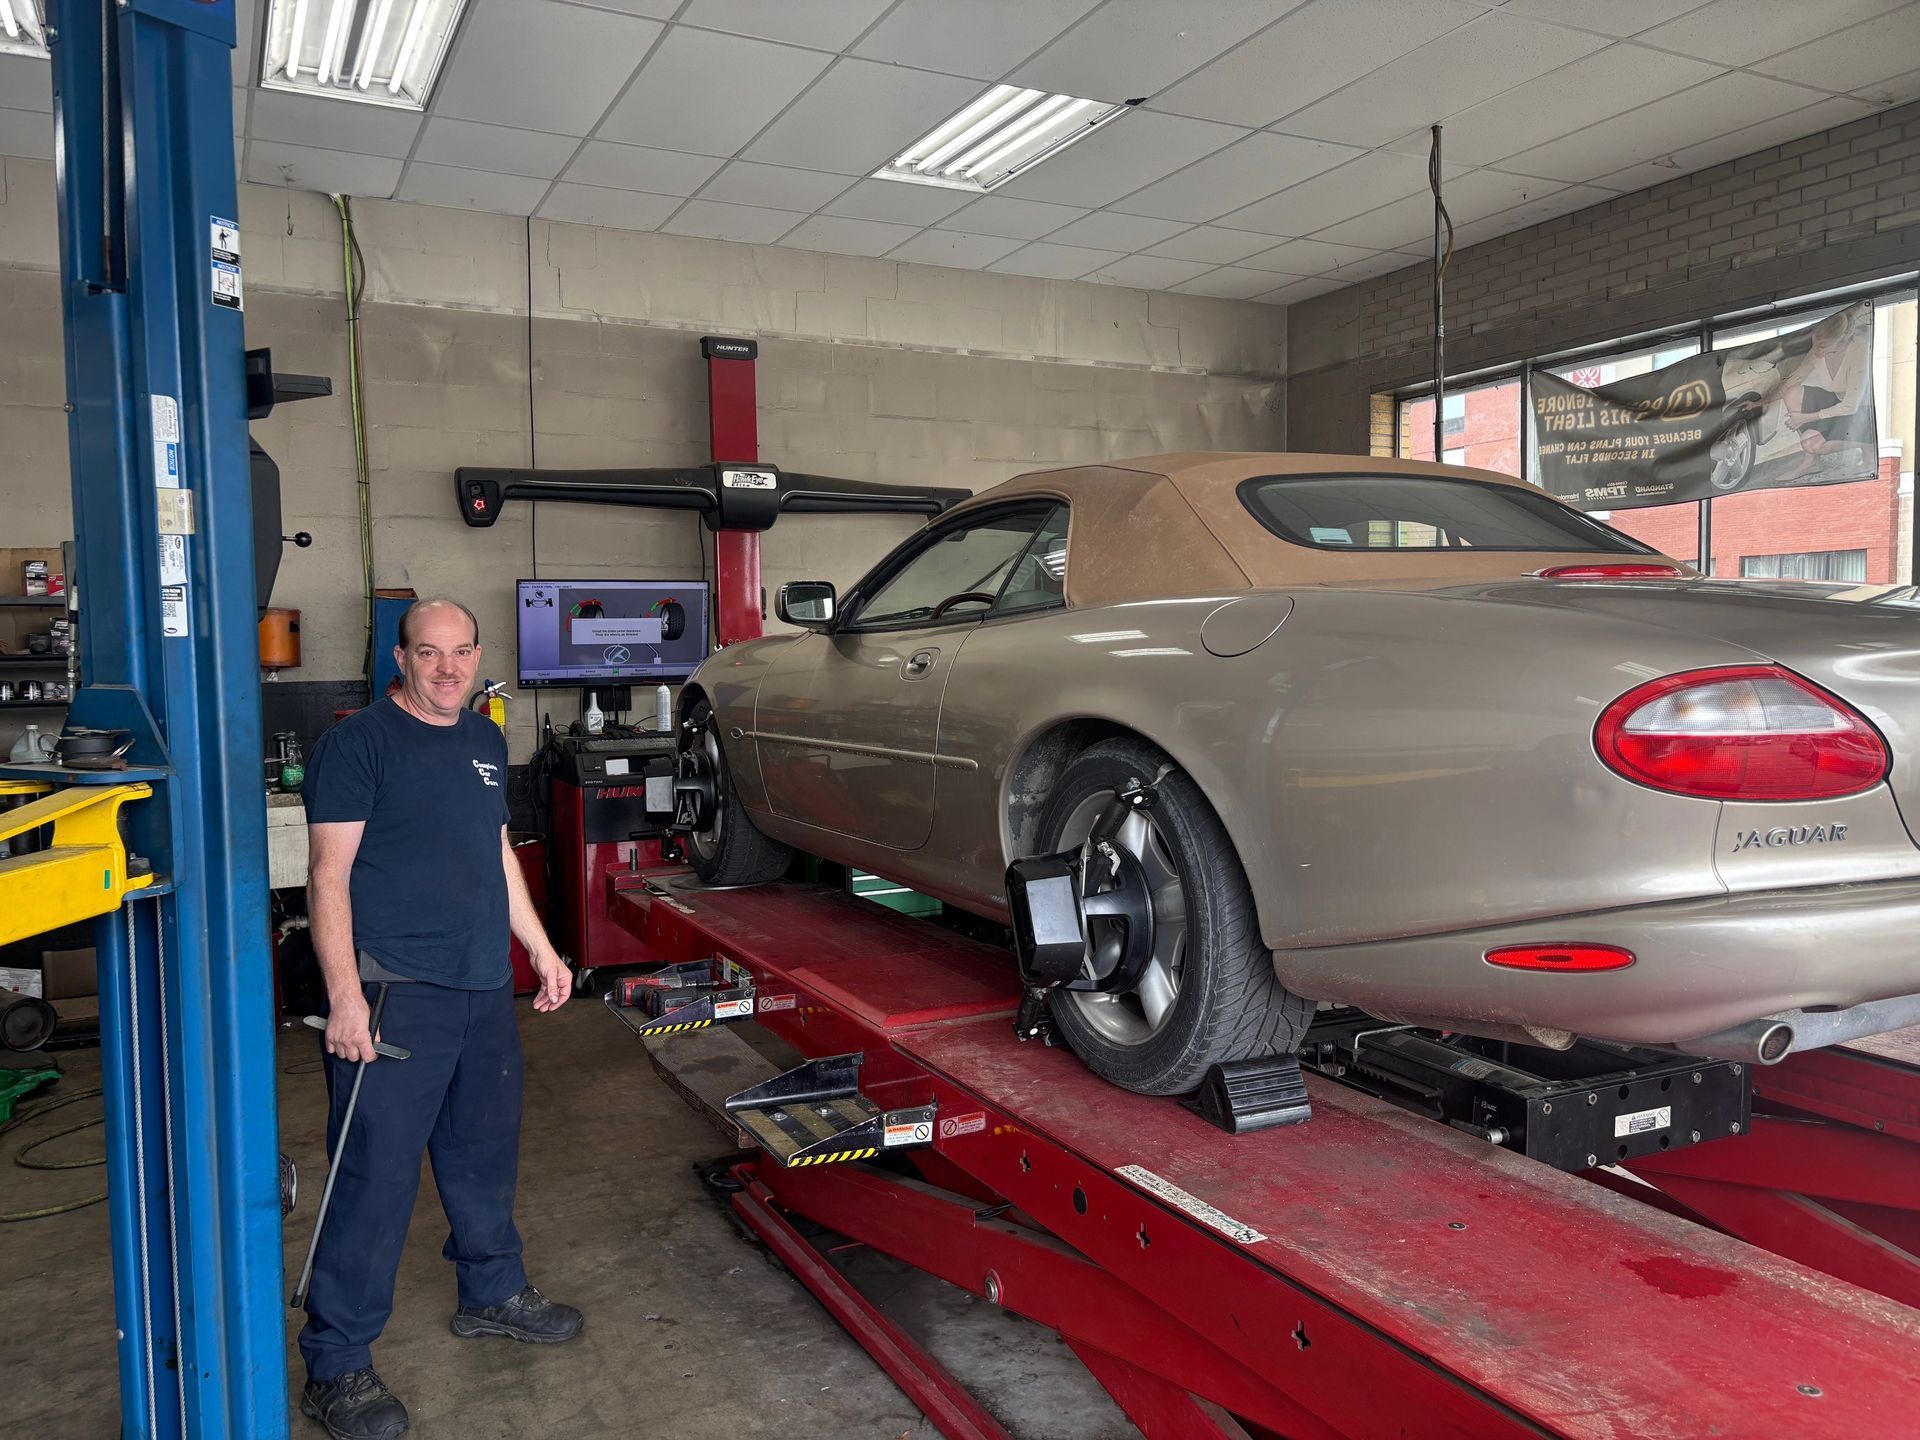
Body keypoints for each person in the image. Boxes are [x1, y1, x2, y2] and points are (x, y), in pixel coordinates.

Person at [297, 598, 580, 1440]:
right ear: (401, 657)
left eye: (461, 653)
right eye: (430, 653)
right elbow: (327, 876)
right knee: (374, 1181)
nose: (448, 669)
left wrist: (539, 947)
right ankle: (337, 1364)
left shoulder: (485, 739)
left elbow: (494, 853)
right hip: (392, 993)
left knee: (482, 1153)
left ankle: (493, 1292)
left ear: (478, 655)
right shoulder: (357, 746)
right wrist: (345, 997)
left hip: (481, 986)